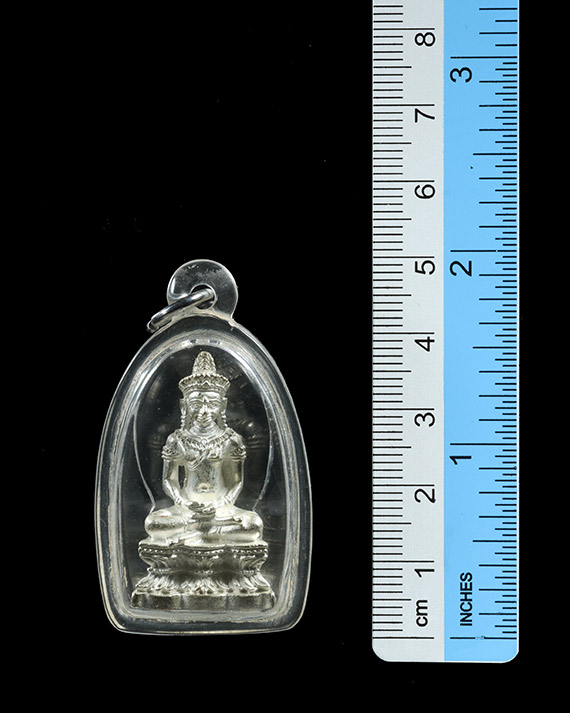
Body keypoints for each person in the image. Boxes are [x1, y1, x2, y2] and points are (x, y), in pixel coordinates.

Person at [143, 351, 263, 546]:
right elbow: (169, 480)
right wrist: (184, 503)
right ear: (184, 406)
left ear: (222, 406)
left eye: (212, 404)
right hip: (187, 512)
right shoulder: (177, 440)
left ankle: (197, 534)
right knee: (153, 524)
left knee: (253, 525)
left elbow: (236, 482)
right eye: (197, 404)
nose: (204, 411)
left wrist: (221, 504)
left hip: (221, 511)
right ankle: (205, 532)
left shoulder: (230, 440)